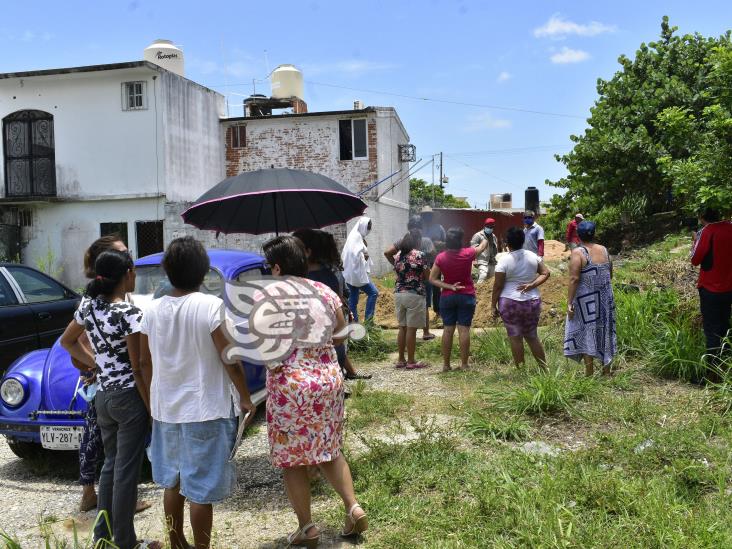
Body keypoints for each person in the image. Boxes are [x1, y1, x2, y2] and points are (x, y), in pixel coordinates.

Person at [262, 236, 367, 547]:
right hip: (327, 382)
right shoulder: (325, 291)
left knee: (293, 460)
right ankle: (353, 507)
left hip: (289, 387)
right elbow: (339, 334)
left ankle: (307, 527)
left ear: (278, 267)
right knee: (329, 450)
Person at [61, 250, 152, 549]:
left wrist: (95, 364)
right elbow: (140, 366)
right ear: (126, 274)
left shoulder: (89, 307)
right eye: (133, 270)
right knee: (126, 472)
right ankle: (126, 541)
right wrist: (150, 404)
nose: (135, 275)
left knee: (111, 467)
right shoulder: (129, 314)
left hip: (103, 397)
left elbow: (67, 341)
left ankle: (103, 537)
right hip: (129, 398)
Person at [294, 228, 372, 380]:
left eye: (295, 249)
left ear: (307, 252)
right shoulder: (331, 272)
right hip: (333, 345)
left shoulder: (308, 280)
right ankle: (346, 376)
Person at [429, 227, 489, 371]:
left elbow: (432, 279)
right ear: (460, 240)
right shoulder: (468, 253)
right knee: (464, 331)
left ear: (447, 242)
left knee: (448, 330)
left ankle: (446, 365)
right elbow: (483, 245)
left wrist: (449, 286)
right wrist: (485, 236)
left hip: (447, 297)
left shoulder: (441, 257)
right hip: (466, 295)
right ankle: (464, 364)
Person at [491, 227, 550, 369]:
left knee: (515, 337)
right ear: (523, 241)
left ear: (507, 243)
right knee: (532, 336)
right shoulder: (533, 256)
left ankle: (521, 370)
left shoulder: (504, 261)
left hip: (509, 302)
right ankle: (544, 369)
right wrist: (532, 284)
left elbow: (498, 286)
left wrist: (493, 305)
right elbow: (546, 273)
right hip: (532, 301)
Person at [564, 221, 617, 376]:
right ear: (594, 234)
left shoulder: (578, 253)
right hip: (605, 299)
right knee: (604, 331)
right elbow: (610, 274)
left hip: (586, 301)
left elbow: (574, 279)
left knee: (588, 332)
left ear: (578, 236)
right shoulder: (605, 250)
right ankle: (606, 371)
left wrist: (569, 302)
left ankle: (589, 373)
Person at [690, 206, 732, 375]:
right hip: (729, 287)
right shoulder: (730, 227)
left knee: (712, 331)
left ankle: (712, 374)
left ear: (702, 217)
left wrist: (694, 241)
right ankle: (726, 367)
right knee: (725, 326)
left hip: (711, 288)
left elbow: (695, 259)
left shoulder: (707, 231)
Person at [384, 215, 437, 340]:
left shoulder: (403, 240)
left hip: (402, 286)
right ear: (421, 227)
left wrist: (399, 266)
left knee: (403, 325)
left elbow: (387, 252)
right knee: (424, 305)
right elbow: (434, 255)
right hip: (422, 279)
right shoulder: (426, 240)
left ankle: (403, 354)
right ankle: (426, 332)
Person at [393, 228, 429, 369]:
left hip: (398, 294)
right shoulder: (420, 255)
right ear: (417, 241)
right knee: (411, 330)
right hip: (414, 294)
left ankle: (401, 359)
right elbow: (427, 275)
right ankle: (411, 361)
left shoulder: (397, 256)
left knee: (402, 328)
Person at [341, 217, 378, 323]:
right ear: (363, 226)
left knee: (353, 299)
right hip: (356, 273)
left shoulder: (354, 236)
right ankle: (368, 322)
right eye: (368, 227)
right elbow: (354, 254)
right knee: (373, 292)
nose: (368, 230)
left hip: (349, 273)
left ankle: (354, 324)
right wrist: (364, 257)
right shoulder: (356, 236)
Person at [421, 206, 447, 321]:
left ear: (432, 216)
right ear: (422, 216)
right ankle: (424, 311)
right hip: (422, 261)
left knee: (436, 286)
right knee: (424, 286)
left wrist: (438, 244)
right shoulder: (419, 228)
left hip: (436, 261)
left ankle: (438, 311)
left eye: (429, 215)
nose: (427, 217)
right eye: (425, 215)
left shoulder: (439, 228)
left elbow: (446, 243)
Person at [470, 217, 499, 283]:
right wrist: (474, 260)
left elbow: (495, 248)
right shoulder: (478, 235)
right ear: (484, 226)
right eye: (488, 226)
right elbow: (473, 248)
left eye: (491, 227)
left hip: (491, 261)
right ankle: (478, 291)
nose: (489, 228)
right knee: (483, 275)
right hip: (482, 260)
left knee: (492, 279)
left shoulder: (493, 236)